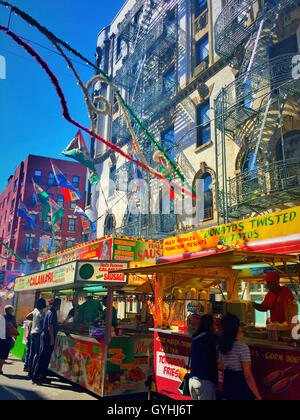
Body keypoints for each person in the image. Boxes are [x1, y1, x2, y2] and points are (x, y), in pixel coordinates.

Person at [219, 313, 262, 400]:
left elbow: (222, 366)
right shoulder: (242, 347)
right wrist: (258, 396)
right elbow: (248, 376)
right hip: (240, 389)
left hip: (227, 387)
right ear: (237, 328)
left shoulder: (222, 346)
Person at [189, 314, 218, 400]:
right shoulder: (211, 338)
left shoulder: (196, 337)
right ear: (211, 325)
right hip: (205, 381)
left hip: (192, 380)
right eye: (215, 324)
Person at [32, 298, 61, 384]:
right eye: (60, 305)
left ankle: (42, 375)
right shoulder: (52, 312)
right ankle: (36, 377)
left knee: (46, 357)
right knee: (43, 357)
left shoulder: (50, 311)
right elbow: (50, 326)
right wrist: (52, 338)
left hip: (45, 336)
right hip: (47, 337)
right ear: (58, 305)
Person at [25, 298, 46, 377]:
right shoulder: (42, 313)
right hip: (38, 333)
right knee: (37, 353)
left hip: (32, 332)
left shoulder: (35, 310)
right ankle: (34, 369)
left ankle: (29, 368)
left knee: (32, 352)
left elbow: (27, 317)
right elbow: (42, 324)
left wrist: (34, 321)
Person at [0, 305, 19, 374]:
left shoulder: (1, 316)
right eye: (12, 310)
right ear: (10, 311)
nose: (13, 311)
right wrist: (15, 336)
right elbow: (15, 327)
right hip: (7, 337)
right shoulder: (12, 318)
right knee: (3, 354)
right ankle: (0, 369)